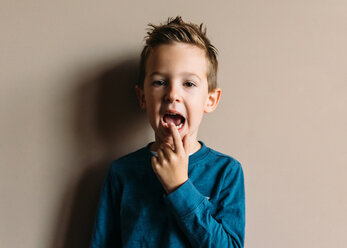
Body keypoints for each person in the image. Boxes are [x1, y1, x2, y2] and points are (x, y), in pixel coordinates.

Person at [90, 16, 245, 248]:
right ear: (142, 97)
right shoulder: (121, 173)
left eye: (189, 84)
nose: (172, 94)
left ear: (211, 100)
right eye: (160, 82)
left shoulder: (226, 172)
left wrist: (180, 187)